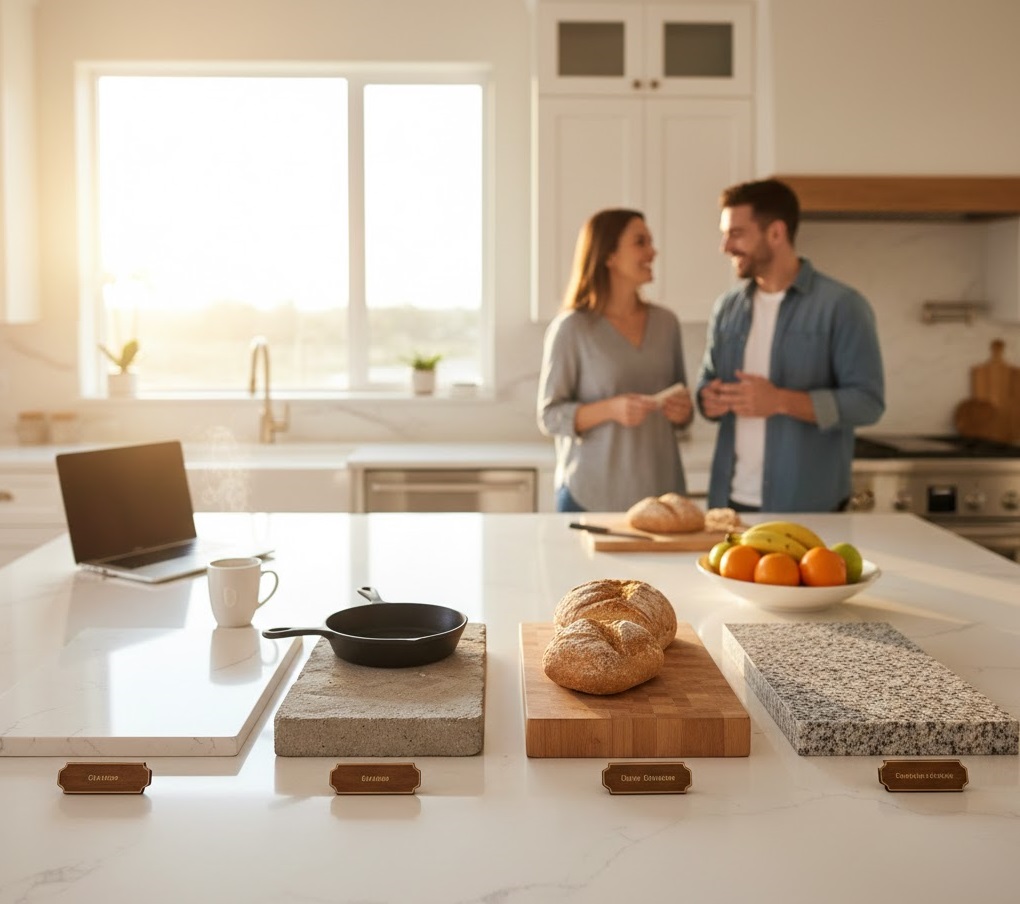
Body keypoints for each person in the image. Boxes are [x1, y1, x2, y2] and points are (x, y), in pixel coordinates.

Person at [696, 178, 885, 513]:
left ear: (776, 233)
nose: (725, 246)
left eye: (736, 233)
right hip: (729, 505)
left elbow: (868, 403)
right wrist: (707, 398)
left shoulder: (842, 306)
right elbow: (707, 379)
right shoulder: (727, 308)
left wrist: (780, 401)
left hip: (809, 507)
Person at [537, 208, 693, 512]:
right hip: (591, 495)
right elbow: (550, 416)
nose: (653, 251)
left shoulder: (666, 323)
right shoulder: (572, 329)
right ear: (609, 256)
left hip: (662, 496)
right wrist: (611, 409)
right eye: (640, 242)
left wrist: (682, 411)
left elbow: (684, 415)